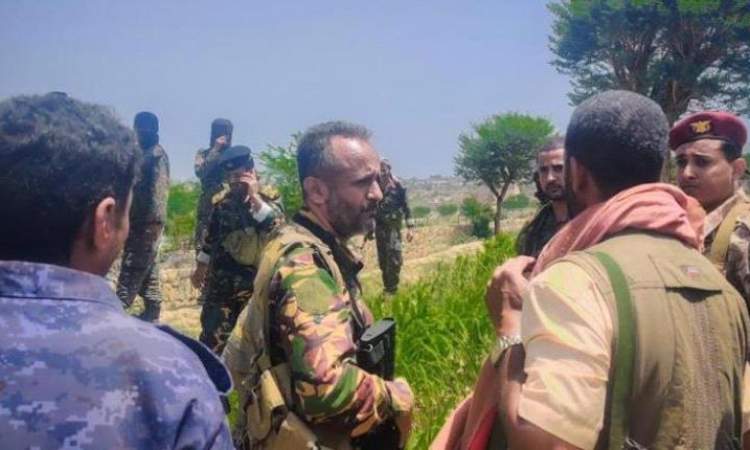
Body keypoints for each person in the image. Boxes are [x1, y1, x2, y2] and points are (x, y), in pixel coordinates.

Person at [435, 90, 750, 450]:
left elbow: (546, 445)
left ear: (578, 174)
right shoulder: (718, 284)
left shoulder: (575, 283)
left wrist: (511, 329)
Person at [0, 93, 232, 449]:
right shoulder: (170, 376)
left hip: (152, 227)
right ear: (105, 221)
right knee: (137, 277)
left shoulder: (159, 157)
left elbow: (157, 199)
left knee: (145, 277)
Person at [223, 121, 414, 450]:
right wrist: (396, 397)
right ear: (316, 191)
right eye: (363, 182)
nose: (377, 193)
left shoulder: (310, 244)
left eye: (377, 180)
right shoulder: (305, 268)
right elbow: (326, 390)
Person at [191, 145, 283, 355]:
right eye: (231, 177)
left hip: (255, 288)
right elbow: (210, 240)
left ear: (251, 171)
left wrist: (254, 197)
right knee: (211, 343)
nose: (234, 183)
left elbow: (277, 228)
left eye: (239, 176)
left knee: (255, 347)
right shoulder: (222, 203)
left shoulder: (268, 199)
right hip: (221, 288)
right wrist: (200, 269)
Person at [671, 111, 750, 304]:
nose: (687, 173)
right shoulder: (676, 223)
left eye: (702, 162)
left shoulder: (744, 229)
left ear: (737, 169)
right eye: (681, 162)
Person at [115, 111, 170, 322]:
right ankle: (152, 312)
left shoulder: (155, 156)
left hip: (146, 224)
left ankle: (116, 311)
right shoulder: (144, 154)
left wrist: (152, 226)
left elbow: (158, 195)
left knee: (132, 268)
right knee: (148, 269)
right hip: (141, 223)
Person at [515, 135, 568, 257]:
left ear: (575, 169)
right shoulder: (534, 231)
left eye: (558, 168)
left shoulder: (595, 220)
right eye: (543, 170)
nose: (550, 178)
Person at [373, 159, 414, 294]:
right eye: (380, 170)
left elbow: (407, 208)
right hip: (379, 228)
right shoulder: (374, 187)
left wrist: (410, 228)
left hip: (393, 229)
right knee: (383, 260)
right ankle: (387, 288)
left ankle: (393, 289)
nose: (382, 173)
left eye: (384, 170)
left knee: (394, 258)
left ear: (389, 170)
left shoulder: (398, 186)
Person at [195, 118, 234, 254]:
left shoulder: (234, 155)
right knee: (203, 245)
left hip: (230, 207)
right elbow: (200, 172)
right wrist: (216, 150)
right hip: (208, 206)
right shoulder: (203, 153)